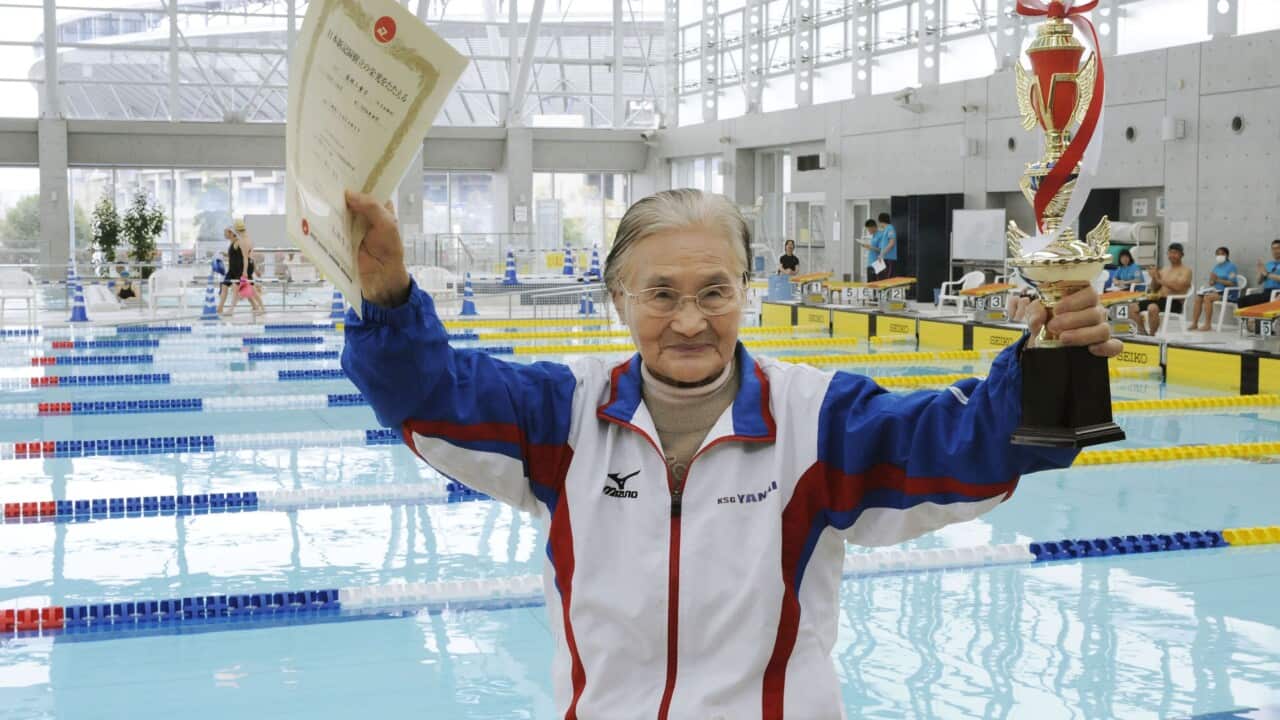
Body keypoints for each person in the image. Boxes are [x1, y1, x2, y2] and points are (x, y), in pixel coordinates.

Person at [339, 187, 1120, 719]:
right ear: (618, 299)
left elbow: (969, 447)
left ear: (746, 290)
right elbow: (429, 396)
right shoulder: (561, 415)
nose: (689, 320)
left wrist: (1055, 360)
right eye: (661, 293)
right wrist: (385, 296)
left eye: (714, 291)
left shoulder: (820, 420)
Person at [1128, 242, 1192, 335]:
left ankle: (1152, 334)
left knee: (1152, 307)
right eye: (1170, 253)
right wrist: (1154, 277)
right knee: (1132, 308)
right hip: (1159, 299)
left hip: (1174, 302)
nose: (1172, 255)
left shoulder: (1186, 271)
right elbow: (1154, 288)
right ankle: (1142, 332)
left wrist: (1159, 279)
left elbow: (1178, 287)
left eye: (1175, 253)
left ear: (1181, 255)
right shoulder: (1164, 269)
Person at [217, 220, 266, 318]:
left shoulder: (242, 241)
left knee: (242, 289)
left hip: (242, 267)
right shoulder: (245, 240)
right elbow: (249, 256)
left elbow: (246, 257)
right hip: (241, 267)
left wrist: (245, 272)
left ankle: (232, 309)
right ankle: (258, 307)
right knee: (249, 289)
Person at [1189, 246, 1239, 331]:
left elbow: (1232, 283)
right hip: (1217, 291)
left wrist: (1217, 279)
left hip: (1229, 293)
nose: (1219, 256)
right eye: (1218, 254)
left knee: (1207, 298)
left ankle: (1208, 324)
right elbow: (1212, 283)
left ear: (1227, 255)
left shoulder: (1231, 267)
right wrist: (1212, 281)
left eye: (1222, 254)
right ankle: (1194, 323)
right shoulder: (1216, 267)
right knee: (1198, 297)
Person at [1237, 239, 1280, 310]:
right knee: (1242, 300)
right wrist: (1260, 272)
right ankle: (1247, 321)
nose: (1275, 251)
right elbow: (1259, 282)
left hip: (1277, 292)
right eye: (1273, 249)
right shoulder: (1269, 264)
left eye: (1277, 248)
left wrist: (1267, 274)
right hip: (1266, 292)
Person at [876, 212, 898, 278]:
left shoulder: (890, 228)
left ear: (881, 221)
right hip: (883, 258)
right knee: (880, 278)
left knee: (887, 279)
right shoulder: (885, 230)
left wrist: (882, 254)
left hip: (888, 258)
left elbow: (892, 243)